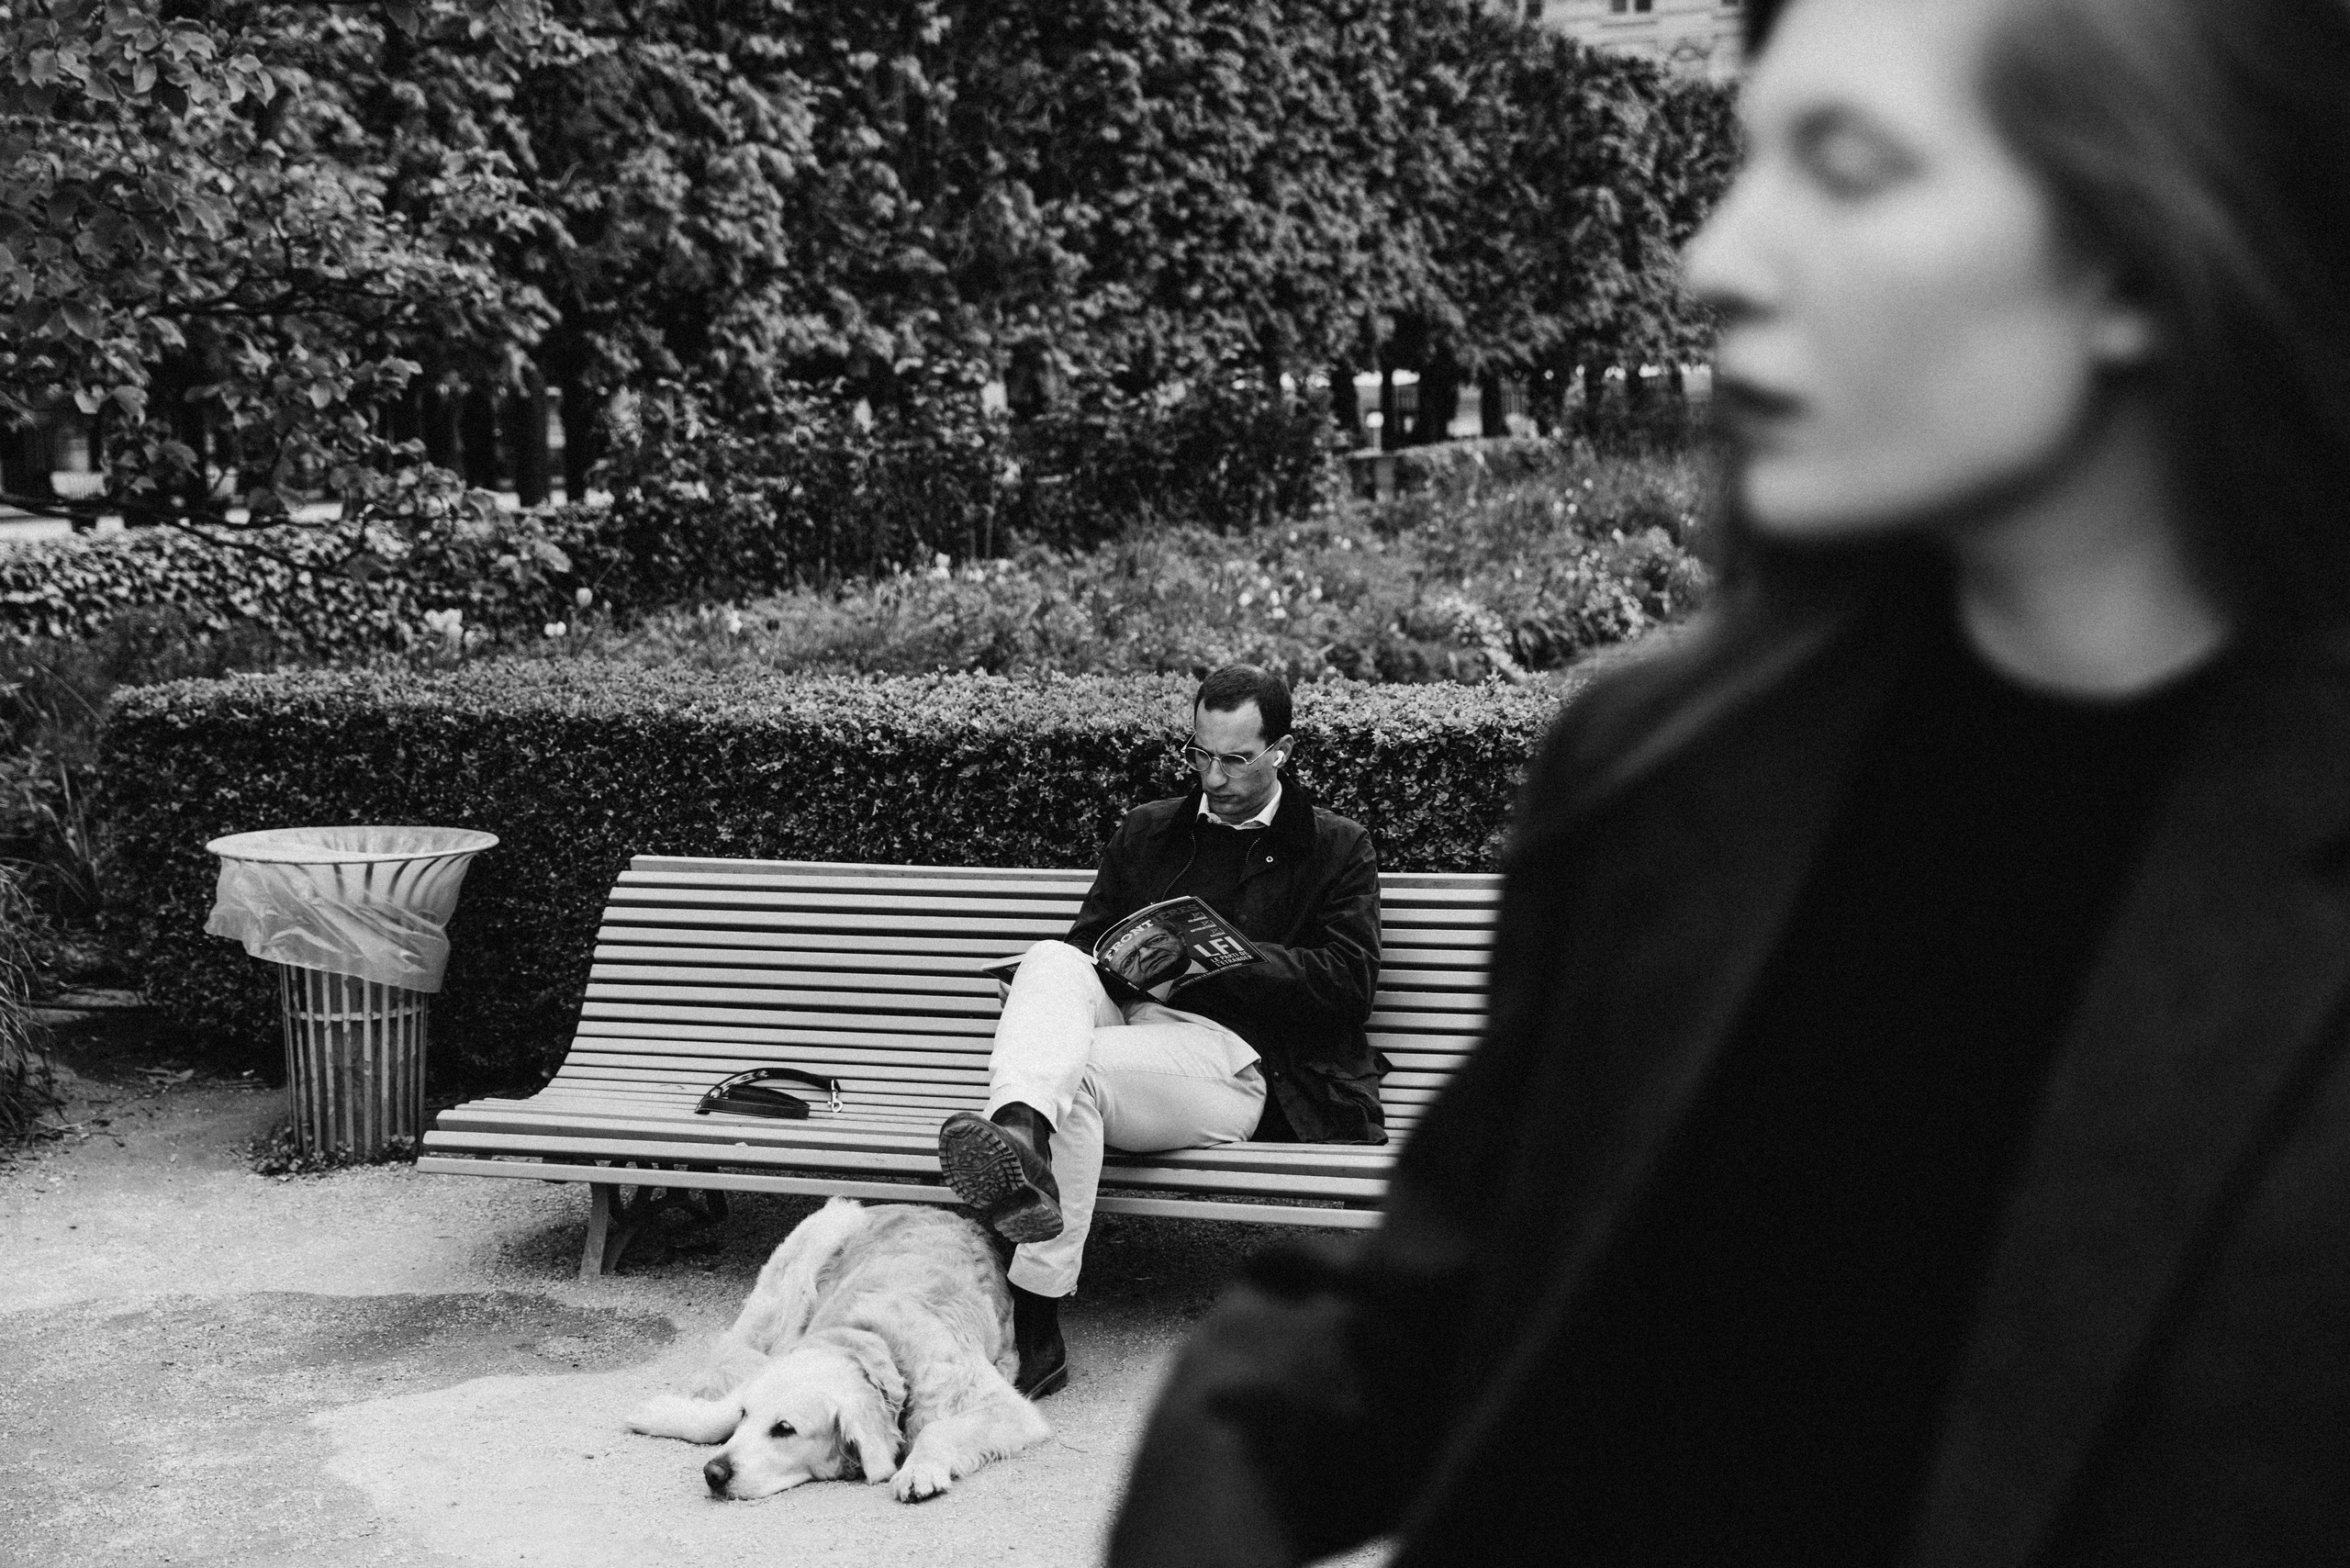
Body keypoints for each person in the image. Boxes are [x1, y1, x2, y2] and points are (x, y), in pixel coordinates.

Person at [1108, 0, 2350, 1563]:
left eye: (1847, 164)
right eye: (1751, 153)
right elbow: (1435, 1301)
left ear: (2144, 256)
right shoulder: (1663, 770)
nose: (1717, 258)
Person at [935, 664, 1382, 1399]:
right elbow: (1087, 946)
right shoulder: (1152, 828)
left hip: (1236, 1060)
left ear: (1284, 752)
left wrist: (1227, 959)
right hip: (1135, 1022)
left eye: (1235, 758)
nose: (1212, 777)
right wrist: (1119, 963)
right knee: (1050, 959)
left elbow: (1347, 985)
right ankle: (1020, 1132)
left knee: (1072, 1078)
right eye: (1199, 754)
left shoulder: (1335, 846)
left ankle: (1034, 1312)